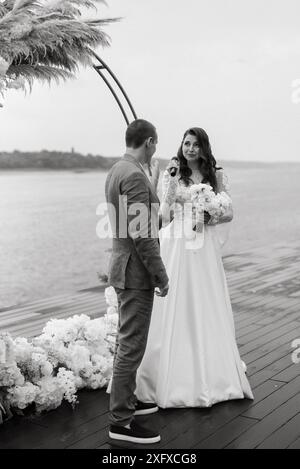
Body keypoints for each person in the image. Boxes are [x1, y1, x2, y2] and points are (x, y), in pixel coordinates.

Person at [136, 127, 254, 408]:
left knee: (205, 300)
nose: (190, 148)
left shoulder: (218, 175)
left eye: (196, 144)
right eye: (186, 143)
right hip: (177, 244)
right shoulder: (172, 173)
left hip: (203, 247)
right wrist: (172, 184)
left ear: (204, 148)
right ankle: (168, 370)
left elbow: (229, 214)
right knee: (174, 299)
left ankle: (212, 368)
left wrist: (208, 216)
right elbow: (163, 215)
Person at [105, 119, 169, 444]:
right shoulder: (132, 175)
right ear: (149, 142)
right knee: (132, 343)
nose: (156, 149)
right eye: (155, 144)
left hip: (121, 265)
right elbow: (143, 233)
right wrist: (161, 274)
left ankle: (126, 401)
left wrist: (152, 182)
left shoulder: (118, 169)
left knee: (125, 339)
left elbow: (132, 221)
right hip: (135, 272)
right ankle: (121, 421)